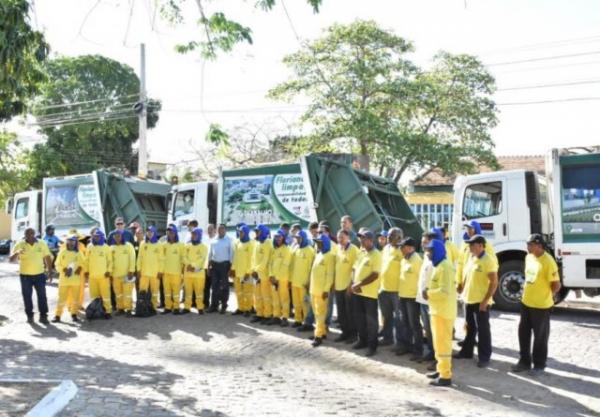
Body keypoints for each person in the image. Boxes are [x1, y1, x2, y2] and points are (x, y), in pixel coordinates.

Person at [511, 234, 561, 375]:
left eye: (530, 244)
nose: (528, 247)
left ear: (539, 246)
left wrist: (546, 296)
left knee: (540, 336)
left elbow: (556, 285)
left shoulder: (548, 261)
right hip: (526, 302)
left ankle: (539, 364)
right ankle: (524, 361)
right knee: (523, 333)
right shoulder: (529, 257)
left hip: (541, 306)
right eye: (528, 244)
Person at [454, 235, 498, 367]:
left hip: (480, 301)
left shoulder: (488, 260)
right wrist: (462, 287)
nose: (469, 247)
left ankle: (484, 357)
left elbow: (494, 282)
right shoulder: (472, 258)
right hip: (468, 299)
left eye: (472, 245)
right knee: (470, 327)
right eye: (469, 245)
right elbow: (468, 275)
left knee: (483, 330)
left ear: (480, 245)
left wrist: (485, 301)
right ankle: (467, 352)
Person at [424, 239, 457, 387]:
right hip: (437, 311)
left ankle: (445, 376)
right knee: (438, 344)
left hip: (443, 313)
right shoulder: (439, 265)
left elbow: (444, 292)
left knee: (443, 345)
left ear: (436, 252)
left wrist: (428, 293)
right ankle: (441, 369)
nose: (428, 254)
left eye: (430, 251)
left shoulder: (445, 267)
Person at [10, 227, 53, 324]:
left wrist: (49, 272)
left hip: (39, 275)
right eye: (27, 234)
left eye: (32, 233)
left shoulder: (42, 243)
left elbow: (47, 257)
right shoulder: (20, 244)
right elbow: (10, 259)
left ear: (35, 234)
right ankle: (30, 316)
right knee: (27, 296)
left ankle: (43, 316)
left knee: (42, 296)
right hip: (25, 276)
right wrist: (17, 253)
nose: (30, 236)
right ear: (24, 235)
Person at [351, 228, 382, 357]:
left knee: (371, 321)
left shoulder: (376, 254)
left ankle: (372, 346)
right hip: (357, 292)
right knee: (359, 319)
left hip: (369, 293)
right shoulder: (361, 252)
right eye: (360, 238)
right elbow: (354, 268)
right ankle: (362, 340)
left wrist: (360, 284)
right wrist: (353, 284)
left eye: (363, 238)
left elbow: (375, 275)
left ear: (370, 240)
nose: (361, 240)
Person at [397, 236, 424, 360]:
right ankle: (407, 346)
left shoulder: (417, 260)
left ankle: (418, 350)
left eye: (402, 247)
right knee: (405, 323)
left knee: (414, 324)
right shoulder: (404, 259)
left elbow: (421, 280)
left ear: (410, 248)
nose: (400, 249)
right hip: (403, 295)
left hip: (412, 297)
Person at [309, 233, 335, 347]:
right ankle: (322, 331)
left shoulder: (329, 256)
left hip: (321, 291)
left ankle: (318, 336)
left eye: (319, 243)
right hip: (313, 289)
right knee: (316, 313)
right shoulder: (318, 254)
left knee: (320, 314)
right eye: (316, 242)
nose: (317, 244)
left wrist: (326, 290)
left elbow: (330, 275)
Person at [333, 229, 359, 343]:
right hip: (338, 285)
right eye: (338, 237)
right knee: (341, 312)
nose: (340, 240)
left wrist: (351, 284)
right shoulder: (337, 249)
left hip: (348, 286)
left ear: (348, 237)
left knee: (350, 312)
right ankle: (345, 333)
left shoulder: (354, 249)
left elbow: (356, 269)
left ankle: (353, 335)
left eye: (342, 237)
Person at [52, 234, 85, 322]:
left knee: (75, 299)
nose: (71, 243)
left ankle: (74, 314)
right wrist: (64, 269)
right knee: (61, 299)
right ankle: (57, 315)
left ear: (75, 242)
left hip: (76, 280)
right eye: (69, 241)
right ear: (67, 242)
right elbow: (57, 264)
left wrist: (80, 268)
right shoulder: (62, 252)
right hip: (64, 280)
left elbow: (84, 263)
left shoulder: (79, 252)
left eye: (73, 241)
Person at [378, 227, 402, 347]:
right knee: (386, 316)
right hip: (384, 288)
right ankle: (388, 338)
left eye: (391, 235)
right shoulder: (386, 248)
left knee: (399, 319)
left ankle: (401, 342)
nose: (388, 237)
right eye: (388, 235)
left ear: (399, 237)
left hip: (397, 291)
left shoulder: (402, 250)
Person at [415, 232, 436, 367]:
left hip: (432, 301)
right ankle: (431, 351)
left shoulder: (436, 259)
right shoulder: (425, 258)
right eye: (422, 242)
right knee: (427, 329)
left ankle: (438, 357)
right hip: (422, 300)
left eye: (425, 242)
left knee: (434, 330)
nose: (422, 245)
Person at [84, 229, 113, 319]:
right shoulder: (89, 246)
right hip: (92, 276)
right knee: (94, 295)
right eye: (95, 236)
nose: (96, 238)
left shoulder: (106, 247)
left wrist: (109, 271)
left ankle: (108, 311)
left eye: (98, 236)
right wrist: (86, 271)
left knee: (106, 295)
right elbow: (86, 260)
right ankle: (96, 311)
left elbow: (110, 261)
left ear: (101, 237)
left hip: (103, 276)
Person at [290, 230, 315, 327]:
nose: (297, 240)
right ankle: (297, 320)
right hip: (294, 281)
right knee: (296, 303)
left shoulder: (310, 250)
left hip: (304, 283)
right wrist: (290, 279)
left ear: (304, 238)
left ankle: (307, 322)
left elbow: (311, 268)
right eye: (296, 238)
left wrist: (309, 281)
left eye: (299, 238)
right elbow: (291, 265)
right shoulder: (296, 249)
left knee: (305, 304)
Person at [267, 229, 292, 326]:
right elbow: (270, 264)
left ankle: (285, 317)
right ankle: (276, 316)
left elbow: (285, 266)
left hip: (282, 279)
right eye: (276, 237)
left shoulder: (287, 249)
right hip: (273, 279)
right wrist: (271, 275)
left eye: (279, 237)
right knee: (275, 298)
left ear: (283, 238)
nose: (277, 239)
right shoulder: (274, 249)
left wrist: (277, 278)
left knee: (284, 298)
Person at [208, 224, 234, 314]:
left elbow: (231, 254)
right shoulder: (213, 240)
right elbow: (210, 254)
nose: (220, 230)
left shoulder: (229, 240)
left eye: (222, 229)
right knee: (214, 286)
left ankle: (224, 305)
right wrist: (208, 266)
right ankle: (214, 305)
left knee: (224, 286)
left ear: (225, 230)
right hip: (214, 265)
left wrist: (231, 267)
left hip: (224, 265)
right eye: (219, 229)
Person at [230, 224, 255, 316]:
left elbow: (251, 260)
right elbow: (235, 258)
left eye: (241, 232)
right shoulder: (237, 243)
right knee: (238, 292)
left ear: (246, 233)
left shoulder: (251, 244)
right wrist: (232, 269)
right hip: (237, 272)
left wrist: (248, 272)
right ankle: (241, 308)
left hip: (246, 273)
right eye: (239, 232)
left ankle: (248, 309)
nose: (240, 234)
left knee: (248, 292)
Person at [110, 230, 136, 316]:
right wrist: (110, 274)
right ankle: (120, 308)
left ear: (122, 236)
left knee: (127, 293)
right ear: (113, 238)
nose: (117, 238)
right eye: (115, 236)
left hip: (127, 274)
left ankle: (129, 309)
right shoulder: (112, 248)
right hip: (115, 275)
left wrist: (131, 270)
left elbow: (132, 258)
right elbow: (110, 262)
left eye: (119, 236)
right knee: (118, 294)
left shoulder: (128, 246)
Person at [250, 224, 273, 323]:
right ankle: (259, 313)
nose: (256, 233)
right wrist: (253, 270)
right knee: (257, 295)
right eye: (255, 232)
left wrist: (257, 271)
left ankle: (267, 315)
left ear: (263, 232)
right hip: (257, 274)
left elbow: (266, 260)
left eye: (258, 231)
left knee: (266, 295)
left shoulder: (268, 243)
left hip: (264, 275)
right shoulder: (257, 243)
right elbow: (253, 259)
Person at [183, 227, 209, 314]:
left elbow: (202, 259)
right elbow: (184, 257)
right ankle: (187, 307)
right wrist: (189, 265)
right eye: (192, 234)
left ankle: (200, 307)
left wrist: (193, 266)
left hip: (199, 274)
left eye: (195, 234)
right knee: (188, 292)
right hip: (188, 273)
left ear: (199, 235)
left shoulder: (203, 247)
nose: (193, 236)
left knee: (199, 292)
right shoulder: (187, 245)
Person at [137, 226, 163, 309]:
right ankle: (142, 306)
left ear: (154, 233)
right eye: (148, 232)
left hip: (155, 273)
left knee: (154, 291)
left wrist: (160, 271)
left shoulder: (159, 244)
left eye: (151, 232)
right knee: (142, 291)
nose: (149, 234)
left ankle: (154, 307)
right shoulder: (142, 243)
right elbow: (139, 258)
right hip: (144, 272)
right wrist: (138, 269)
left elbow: (162, 259)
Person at [162, 225, 185, 314]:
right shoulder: (164, 245)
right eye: (168, 233)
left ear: (175, 233)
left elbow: (183, 259)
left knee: (176, 292)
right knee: (167, 291)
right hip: (166, 272)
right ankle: (168, 307)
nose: (170, 234)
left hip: (176, 273)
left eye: (172, 232)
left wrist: (183, 270)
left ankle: (176, 307)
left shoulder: (180, 245)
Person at [203, 223, 217, 311]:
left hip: (214, 266)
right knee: (206, 287)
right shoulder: (205, 240)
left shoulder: (216, 240)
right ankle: (206, 303)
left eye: (211, 229)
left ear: (215, 230)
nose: (209, 230)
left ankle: (214, 304)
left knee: (214, 287)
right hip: (205, 266)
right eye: (208, 229)